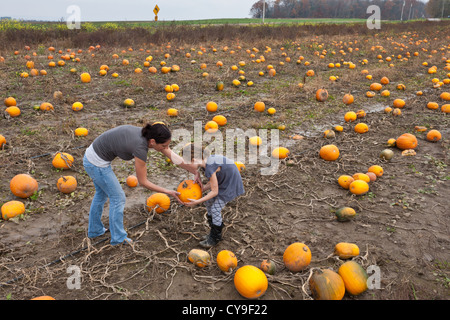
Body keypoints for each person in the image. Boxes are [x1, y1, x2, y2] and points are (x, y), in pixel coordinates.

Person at [83, 123, 199, 246]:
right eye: (164, 145)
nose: (166, 148)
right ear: (153, 142)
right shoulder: (140, 147)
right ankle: (118, 239)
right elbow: (143, 182)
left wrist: (194, 171)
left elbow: (172, 155)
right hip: (96, 164)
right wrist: (168, 191)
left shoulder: (147, 134)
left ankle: (95, 230)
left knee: (101, 194)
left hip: (91, 156)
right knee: (118, 198)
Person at [182, 144, 245, 248]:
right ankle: (213, 229)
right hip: (224, 182)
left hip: (230, 186)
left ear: (193, 160)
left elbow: (214, 192)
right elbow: (213, 182)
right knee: (209, 202)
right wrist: (202, 189)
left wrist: (197, 201)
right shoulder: (207, 161)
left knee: (215, 208)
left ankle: (215, 237)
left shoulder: (210, 167)